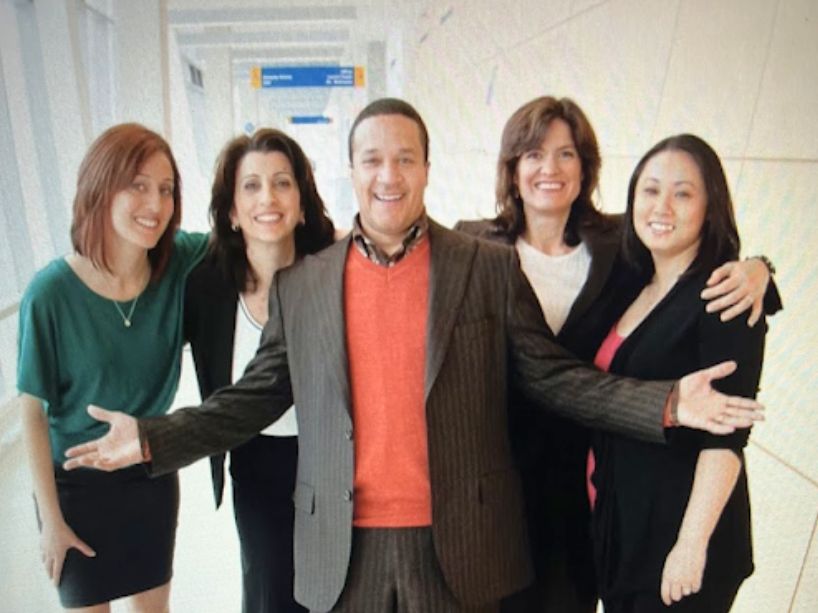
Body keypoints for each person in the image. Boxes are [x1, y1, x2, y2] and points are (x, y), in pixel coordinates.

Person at [63, 99, 764, 613]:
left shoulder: (483, 267)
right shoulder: (306, 285)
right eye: (373, 159)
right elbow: (251, 397)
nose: (389, 175)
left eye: (405, 158)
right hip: (346, 549)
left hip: (455, 545)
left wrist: (668, 401)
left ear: (427, 168)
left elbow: (556, 375)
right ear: (352, 171)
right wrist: (153, 437)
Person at [455, 96, 779, 613]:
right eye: (534, 154)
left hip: (585, 491)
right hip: (500, 486)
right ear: (512, 168)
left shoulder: (615, 249)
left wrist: (758, 269)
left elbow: (694, 263)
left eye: (566, 154)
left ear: (585, 169)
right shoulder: (470, 248)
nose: (550, 169)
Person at [17, 123, 207, 611]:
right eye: (138, 185)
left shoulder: (180, 263)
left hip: (148, 475)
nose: (155, 204)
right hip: (75, 487)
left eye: (166, 190)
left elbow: (251, 233)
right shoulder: (50, 292)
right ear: (102, 187)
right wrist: (51, 522)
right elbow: (32, 412)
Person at [571, 134, 766, 612]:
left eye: (683, 193)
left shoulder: (724, 294)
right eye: (650, 190)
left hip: (675, 543)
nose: (663, 206)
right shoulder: (632, 283)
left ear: (709, 206)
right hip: (623, 530)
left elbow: (727, 438)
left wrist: (691, 544)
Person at [184, 128, 334, 613]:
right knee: (269, 590)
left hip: (332, 461)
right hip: (254, 460)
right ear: (230, 210)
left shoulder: (333, 272)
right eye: (250, 186)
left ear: (303, 201)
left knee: (335, 590)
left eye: (282, 183)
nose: (267, 198)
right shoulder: (206, 285)